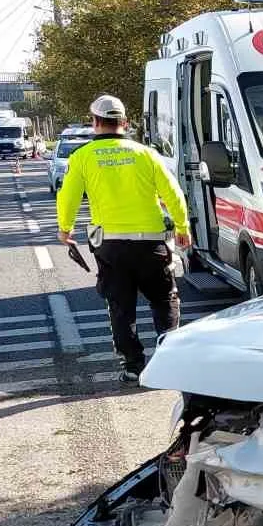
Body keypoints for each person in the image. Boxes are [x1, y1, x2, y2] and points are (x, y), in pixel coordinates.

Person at [56, 95, 190, 384]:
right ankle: (169, 359)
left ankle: (133, 366)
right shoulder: (146, 154)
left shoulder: (81, 157)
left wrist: (65, 229)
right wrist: (182, 227)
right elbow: (173, 193)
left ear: (94, 123)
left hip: (111, 246)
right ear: (125, 123)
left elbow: (67, 197)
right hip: (151, 243)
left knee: (120, 307)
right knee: (165, 300)